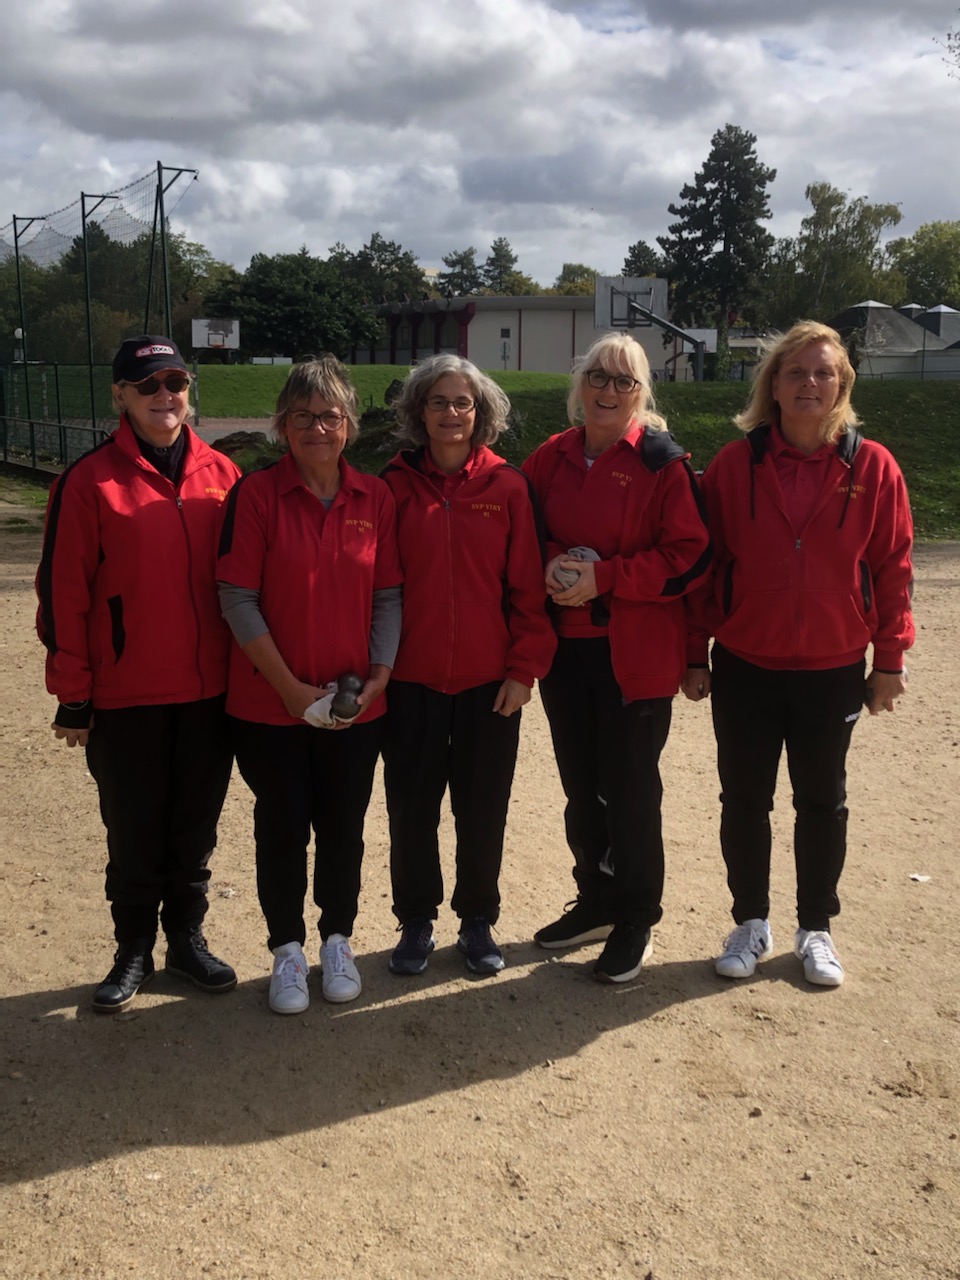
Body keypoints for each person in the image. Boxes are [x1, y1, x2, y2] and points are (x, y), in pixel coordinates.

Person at [682, 321, 914, 987]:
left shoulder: (874, 467)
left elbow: (893, 566)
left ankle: (817, 927)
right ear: (774, 386)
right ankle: (750, 922)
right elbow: (706, 565)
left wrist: (890, 660)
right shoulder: (734, 466)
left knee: (822, 800)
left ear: (841, 384)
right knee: (744, 800)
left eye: (823, 373)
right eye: (796, 373)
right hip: (746, 665)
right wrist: (695, 654)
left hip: (833, 667)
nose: (810, 383)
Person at [36, 335, 241, 1014]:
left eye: (175, 382)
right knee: (133, 831)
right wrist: (75, 694)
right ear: (119, 394)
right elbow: (63, 594)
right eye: (148, 385)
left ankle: (185, 939)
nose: (165, 397)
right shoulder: (88, 482)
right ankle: (133, 948)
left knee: (195, 829)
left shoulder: (223, 475)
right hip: (127, 696)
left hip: (211, 692)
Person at [522, 332, 711, 983]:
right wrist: (550, 561)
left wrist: (606, 579)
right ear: (580, 383)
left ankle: (637, 915)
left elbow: (687, 556)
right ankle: (596, 900)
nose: (607, 390)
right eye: (598, 377)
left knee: (629, 792)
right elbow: (525, 528)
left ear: (641, 393)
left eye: (623, 382)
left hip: (635, 658)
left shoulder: (662, 463)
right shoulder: (551, 456)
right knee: (581, 789)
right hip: (567, 655)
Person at [217, 355, 402, 1015]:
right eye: (303, 417)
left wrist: (380, 675)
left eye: (329, 416)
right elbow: (237, 598)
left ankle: (337, 940)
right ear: (283, 425)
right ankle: (287, 949)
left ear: (348, 423)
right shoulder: (258, 495)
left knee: (344, 829)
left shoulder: (374, 497)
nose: (318, 428)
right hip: (271, 707)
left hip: (354, 707)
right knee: (283, 826)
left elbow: (387, 597)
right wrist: (292, 690)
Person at [380, 355, 556, 977]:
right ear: (418, 411)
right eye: (438, 402)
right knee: (412, 807)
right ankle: (417, 920)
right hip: (411, 682)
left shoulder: (507, 486)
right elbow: (376, 588)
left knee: (483, 807)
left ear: (480, 414)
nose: (451, 413)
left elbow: (528, 590)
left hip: (489, 684)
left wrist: (523, 669)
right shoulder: (394, 486)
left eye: (464, 403)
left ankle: (478, 918)